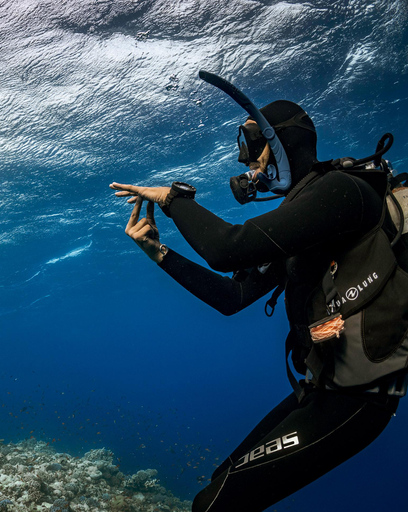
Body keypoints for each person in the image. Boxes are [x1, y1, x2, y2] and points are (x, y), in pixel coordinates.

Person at [111, 71, 407, 511]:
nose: (246, 164)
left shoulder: (342, 193)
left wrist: (174, 200)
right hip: (321, 387)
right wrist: (160, 253)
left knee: (214, 505)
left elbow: (228, 249)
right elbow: (233, 298)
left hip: (359, 401)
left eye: (251, 148)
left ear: (280, 143)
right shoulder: (304, 215)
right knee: (220, 484)